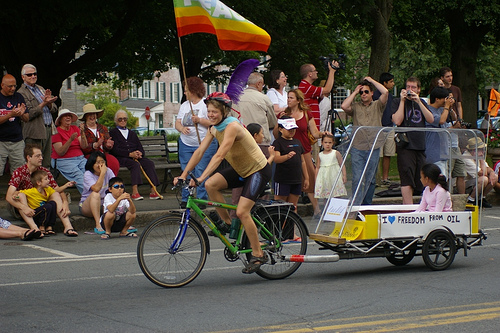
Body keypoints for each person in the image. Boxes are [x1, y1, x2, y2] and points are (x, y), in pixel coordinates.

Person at [174, 92, 272, 274]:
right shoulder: (213, 128)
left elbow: (219, 155)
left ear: (224, 112)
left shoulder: (232, 126)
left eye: (214, 112)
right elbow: (199, 152)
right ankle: (227, 223)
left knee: (242, 211)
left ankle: (259, 253)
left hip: (258, 169)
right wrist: (184, 174)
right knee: (212, 185)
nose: (211, 115)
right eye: (209, 111)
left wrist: (201, 177)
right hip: (241, 169)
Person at [275, 89, 327, 217]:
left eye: (291, 98)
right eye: (288, 98)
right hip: (287, 149)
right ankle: (286, 212)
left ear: (298, 100)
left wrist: (323, 134)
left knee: (309, 179)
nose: (288, 100)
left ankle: (317, 209)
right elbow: (276, 135)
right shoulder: (284, 114)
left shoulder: (306, 113)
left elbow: (314, 132)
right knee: (292, 179)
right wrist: (280, 121)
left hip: (304, 149)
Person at [6, 144, 76, 237]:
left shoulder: (44, 171)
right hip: (22, 208)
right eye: (37, 156)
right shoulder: (19, 172)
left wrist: (65, 202)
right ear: (29, 158)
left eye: (41, 155)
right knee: (21, 195)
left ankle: (68, 226)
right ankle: (34, 228)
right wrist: (24, 207)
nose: (41, 158)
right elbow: (8, 197)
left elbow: (57, 189)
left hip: (40, 208)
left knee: (54, 193)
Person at [341, 76, 388, 205]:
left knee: (371, 179)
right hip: (358, 147)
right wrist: (355, 92)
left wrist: (371, 81)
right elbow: (344, 106)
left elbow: (385, 92)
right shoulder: (355, 106)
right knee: (357, 178)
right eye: (362, 92)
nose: (363, 94)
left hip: (373, 146)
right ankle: (356, 205)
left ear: (372, 93)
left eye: (366, 91)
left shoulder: (378, 105)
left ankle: (367, 205)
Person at [175, 77, 217, 208]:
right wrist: (181, 128)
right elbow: (177, 122)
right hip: (186, 143)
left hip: (204, 143)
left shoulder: (205, 105)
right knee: (186, 170)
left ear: (193, 90)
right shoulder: (184, 105)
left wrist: (200, 120)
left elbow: (213, 123)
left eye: (186, 90)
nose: (184, 93)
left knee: (200, 170)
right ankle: (185, 198)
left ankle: (201, 199)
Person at [392, 77, 435, 204]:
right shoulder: (397, 102)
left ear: (419, 89)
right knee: (407, 179)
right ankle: (409, 209)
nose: (410, 90)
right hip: (405, 146)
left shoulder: (421, 102)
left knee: (421, 178)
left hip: (420, 145)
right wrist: (402, 101)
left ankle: (421, 206)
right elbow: (397, 120)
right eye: (408, 87)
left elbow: (431, 119)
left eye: (413, 87)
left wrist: (419, 102)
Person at [109, 110, 161, 200]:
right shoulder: (113, 133)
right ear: (116, 121)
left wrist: (139, 153)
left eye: (124, 119)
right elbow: (114, 150)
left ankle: (153, 191)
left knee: (149, 163)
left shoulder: (132, 133)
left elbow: (140, 147)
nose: (122, 121)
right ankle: (135, 192)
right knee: (135, 165)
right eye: (120, 119)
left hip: (134, 157)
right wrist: (129, 154)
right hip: (121, 158)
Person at [17, 64, 58, 168]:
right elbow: (28, 114)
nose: (33, 76)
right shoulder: (21, 93)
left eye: (34, 74)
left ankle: (45, 184)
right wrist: (43, 103)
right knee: (34, 164)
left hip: (48, 128)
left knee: (46, 163)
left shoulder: (40, 88)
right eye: (29, 74)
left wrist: (49, 103)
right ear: (23, 77)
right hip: (34, 133)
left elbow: (54, 109)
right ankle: (33, 184)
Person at [15, 169, 76, 236]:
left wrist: (66, 185)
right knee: (47, 207)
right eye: (46, 179)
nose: (48, 181)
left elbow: (57, 190)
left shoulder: (47, 189)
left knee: (52, 204)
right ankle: (41, 227)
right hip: (35, 213)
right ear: (39, 183)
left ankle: (49, 227)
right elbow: (19, 192)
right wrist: (15, 195)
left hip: (44, 213)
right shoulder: (31, 191)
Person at [272, 117, 308, 212]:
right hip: (283, 179)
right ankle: (279, 226)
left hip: (296, 179)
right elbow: (276, 159)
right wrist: (287, 156)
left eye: (293, 129)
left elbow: (303, 161)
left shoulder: (297, 142)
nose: (292, 131)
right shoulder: (278, 142)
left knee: (293, 207)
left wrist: (306, 178)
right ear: (281, 129)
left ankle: (292, 226)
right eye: (289, 129)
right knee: (280, 207)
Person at [231, 72, 277, 146]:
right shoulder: (264, 98)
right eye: (263, 85)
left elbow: (230, 119)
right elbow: (272, 122)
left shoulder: (235, 99)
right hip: (260, 142)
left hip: (240, 140)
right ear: (258, 84)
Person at [51, 109, 88, 194]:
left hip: (80, 158)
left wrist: (82, 133)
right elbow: (60, 152)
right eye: (65, 115)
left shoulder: (75, 128)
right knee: (80, 178)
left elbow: (84, 146)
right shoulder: (56, 132)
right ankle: (92, 199)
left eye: (69, 115)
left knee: (90, 175)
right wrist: (70, 140)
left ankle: (91, 199)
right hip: (64, 160)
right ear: (60, 119)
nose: (68, 117)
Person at [79, 151, 116, 234]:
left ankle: (123, 223)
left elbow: (115, 184)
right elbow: (96, 188)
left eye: (103, 162)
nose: (101, 165)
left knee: (119, 192)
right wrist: (102, 174)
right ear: (92, 164)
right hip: (87, 206)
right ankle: (98, 224)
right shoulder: (88, 174)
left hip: (104, 205)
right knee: (96, 194)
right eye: (98, 162)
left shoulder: (108, 171)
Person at [80, 103, 120, 176]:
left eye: (94, 114)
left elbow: (106, 146)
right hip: (90, 155)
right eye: (89, 114)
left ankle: (111, 184)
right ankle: (98, 185)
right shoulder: (82, 130)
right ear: (85, 117)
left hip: (103, 154)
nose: (92, 116)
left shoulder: (103, 128)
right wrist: (94, 145)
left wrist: (108, 145)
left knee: (114, 163)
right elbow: (83, 148)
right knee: (97, 165)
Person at [0, 74, 28, 176]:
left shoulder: (18, 97)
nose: (13, 89)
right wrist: (10, 115)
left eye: (15, 86)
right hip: (1, 141)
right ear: (2, 85)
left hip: (17, 141)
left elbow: (27, 118)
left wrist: (21, 114)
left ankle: (16, 192)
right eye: (10, 86)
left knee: (19, 172)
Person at [424, 86, 454, 174]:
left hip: (443, 153)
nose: (446, 101)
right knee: (438, 182)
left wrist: (450, 107)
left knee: (443, 181)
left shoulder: (442, 110)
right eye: (445, 98)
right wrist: (447, 107)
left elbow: (454, 118)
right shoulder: (429, 111)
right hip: (434, 155)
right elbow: (441, 121)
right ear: (437, 99)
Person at [373, 72, 396, 185]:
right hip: (378, 128)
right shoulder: (375, 95)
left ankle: (385, 178)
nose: (393, 84)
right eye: (391, 81)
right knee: (378, 154)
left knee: (388, 153)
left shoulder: (391, 97)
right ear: (384, 83)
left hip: (389, 127)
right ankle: (376, 178)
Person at [463, 137, 496, 208]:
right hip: (466, 184)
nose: (483, 151)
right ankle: (471, 200)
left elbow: (487, 168)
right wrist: (481, 160)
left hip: (476, 181)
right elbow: (483, 173)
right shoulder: (466, 157)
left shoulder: (477, 155)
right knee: (484, 179)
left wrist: (492, 172)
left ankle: (481, 198)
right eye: (481, 149)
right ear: (474, 150)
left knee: (494, 177)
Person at [314, 134, 347, 202]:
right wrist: (316, 178)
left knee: (337, 194)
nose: (327, 144)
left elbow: (342, 164)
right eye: (325, 142)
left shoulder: (336, 153)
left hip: (334, 176)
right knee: (326, 195)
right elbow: (317, 167)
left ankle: (337, 209)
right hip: (324, 177)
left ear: (333, 143)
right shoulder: (320, 155)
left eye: (330, 143)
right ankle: (326, 209)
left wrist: (344, 175)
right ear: (322, 143)